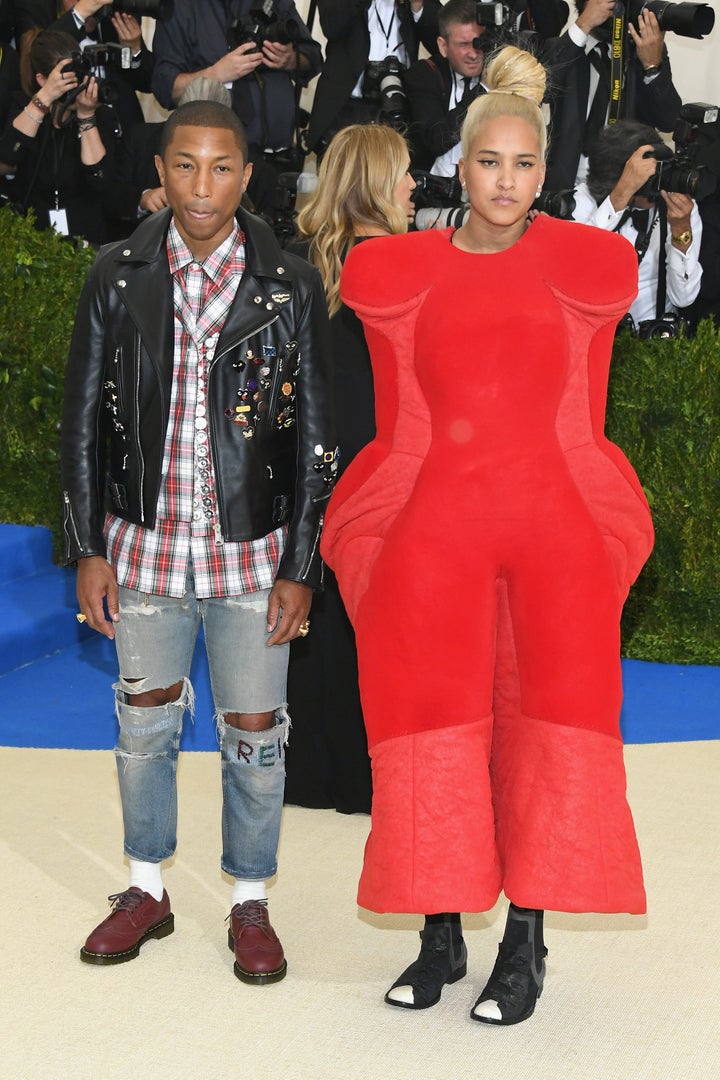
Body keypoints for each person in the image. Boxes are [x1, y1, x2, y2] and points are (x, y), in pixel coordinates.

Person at [320, 45, 654, 1024]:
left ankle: (524, 948)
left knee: (542, 742)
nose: (505, 181)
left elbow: (578, 424)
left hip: (555, 551)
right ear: (459, 170)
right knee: (432, 739)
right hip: (434, 552)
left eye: (523, 164)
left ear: (542, 174)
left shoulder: (587, 268)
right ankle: (438, 939)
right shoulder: (396, 273)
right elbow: (402, 425)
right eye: (488, 162)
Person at [60, 99, 336, 981]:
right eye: (186, 165)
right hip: (142, 547)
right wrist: (86, 547)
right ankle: (147, 888)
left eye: (222, 167)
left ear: (248, 175)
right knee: (143, 727)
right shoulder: (116, 273)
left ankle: (250, 901)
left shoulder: (290, 285)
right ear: (162, 169)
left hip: (253, 552)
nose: (203, 185)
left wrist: (302, 564)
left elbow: (318, 437)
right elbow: (80, 426)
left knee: (256, 731)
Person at [284, 123, 416, 814]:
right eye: (404, 173)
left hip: (312, 467)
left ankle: (306, 774)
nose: (415, 185)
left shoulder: (297, 266)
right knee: (377, 626)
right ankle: (368, 782)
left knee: (311, 614)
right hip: (384, 468)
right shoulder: (401, 265)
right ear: (377, 183)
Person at [151, 0, 322, 164]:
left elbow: (313, 58)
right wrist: (216, 74)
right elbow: (166, 87)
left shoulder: (275, 2)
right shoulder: (179, 5)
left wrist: (291, 59)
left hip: (279, 156)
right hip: (217, 159)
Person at [571, 119, 702, 329]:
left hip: (654, 338)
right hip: (591, 330)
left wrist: (680, 230)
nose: (655, 184)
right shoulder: (579, 201)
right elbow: (577, 274)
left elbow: (683, 298)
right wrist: (619, 197)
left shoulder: (680, 207)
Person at [544, 0, 682, 191]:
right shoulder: (561, 48)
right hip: (564, 188)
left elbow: (669, 120)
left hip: (625, 187)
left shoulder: (641, 51)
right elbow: (539, 91)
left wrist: (652, 67)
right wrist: (583, 25)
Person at [0, 28, 116, 244]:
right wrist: (43, 99)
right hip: (31, 239)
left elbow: (101, 180)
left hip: (86, 240)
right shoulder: (21, 107)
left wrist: (86, 116)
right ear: (42, 79)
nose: (74, 86)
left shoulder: (100, 113)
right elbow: (8, 156)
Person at [304, 0, 442, 157]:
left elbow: (442, 41)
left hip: (397, 106)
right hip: (346, 107)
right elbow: (332, 25)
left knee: (392, 178)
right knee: (342, 177)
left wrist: (418, 5)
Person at [47, 0, 155, 135]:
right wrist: (78, 15)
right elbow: (38, 72)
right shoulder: (50, 27)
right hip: (73, 138)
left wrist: (134, 49)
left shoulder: (113, 24)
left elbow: (148, 83)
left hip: (125, 134)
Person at [404, 0, 487, 174]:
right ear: (443, 46)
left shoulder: (499, 75)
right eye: (463, 45)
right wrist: (483, 91)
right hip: (432, 191)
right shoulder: (424, 74)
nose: (473, 54)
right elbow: (434, 140)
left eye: (479, 43)